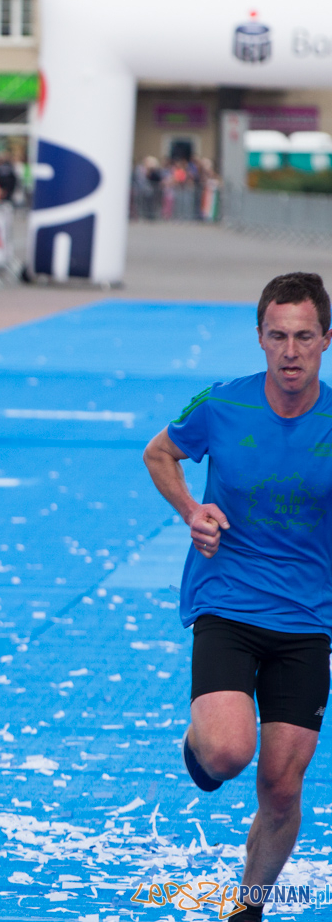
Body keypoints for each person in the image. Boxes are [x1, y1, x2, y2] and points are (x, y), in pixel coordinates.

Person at [142, 272, 332, 922]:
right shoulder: (223, 405)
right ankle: (196, 745)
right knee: (228, 751)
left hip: (309, 616)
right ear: (259, 337)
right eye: (277, 335)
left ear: (326, 341)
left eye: (304, 336)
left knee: (281, 787)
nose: (289, 351)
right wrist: (192, 510)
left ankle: (248, 907)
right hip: (227, 599)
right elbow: (160, 453)